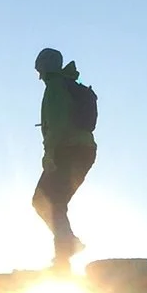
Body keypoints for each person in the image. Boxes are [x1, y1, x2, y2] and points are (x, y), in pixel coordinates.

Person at [30, 47, 97, 270]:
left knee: (45, 200)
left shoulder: (55, 87)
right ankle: (67, 247)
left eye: (39, 67)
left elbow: (58, 125)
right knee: (54, 201)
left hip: (69, 150)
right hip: (84, 151)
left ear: (44, 66)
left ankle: (64, 255)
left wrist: (49, 155)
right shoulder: (66, 84)